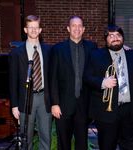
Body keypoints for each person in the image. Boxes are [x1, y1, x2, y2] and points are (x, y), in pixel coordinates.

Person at [83, 25, 133, 150]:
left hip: (131, 112)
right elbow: (87, 77)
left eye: (118, 35)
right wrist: (102, 82)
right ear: (106, 39)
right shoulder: (96, 55)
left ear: (123, 38)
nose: (115, 38)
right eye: (111, 36)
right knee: (107, 146)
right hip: (107, 113)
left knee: (132, 147)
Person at [49, 16, 97, 150]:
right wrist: (54, 103)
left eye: (79, 26)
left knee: (82, 143)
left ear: (83, 29)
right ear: (68, 28)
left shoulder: (92, 48)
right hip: (63, 105)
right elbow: (52, 78)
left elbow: (100, 67)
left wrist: (124, 50)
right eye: (73, 26)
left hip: (83, 106)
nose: (77, 28)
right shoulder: (58, 49)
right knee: (63, 143)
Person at [9, 15, 52, 150]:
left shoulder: (49, 51)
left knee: (46, 136)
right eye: (30, 27)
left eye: (36, 27)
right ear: (25, 30)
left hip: (44, 98)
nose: (33, 30)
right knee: (25, 138)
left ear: (40, 30)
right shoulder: (16, 53)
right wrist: (14, 105)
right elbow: (12, 81)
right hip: (25, 99)